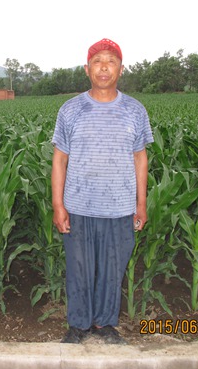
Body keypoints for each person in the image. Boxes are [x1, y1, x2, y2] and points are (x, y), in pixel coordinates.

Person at [51, 38, 153, 345]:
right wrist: (58, 204)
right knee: (78, 269)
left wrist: (141, 203)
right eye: (97, 61)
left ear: (121, 69)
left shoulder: (134, 110)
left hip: (120, 206)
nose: (104, 67)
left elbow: (140, 157)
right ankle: (78, 325)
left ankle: (106, 324)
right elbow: (60, 159)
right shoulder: (71, 109)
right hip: (79, 205)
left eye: (110, 61)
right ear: (87, 69)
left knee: (112, 269)